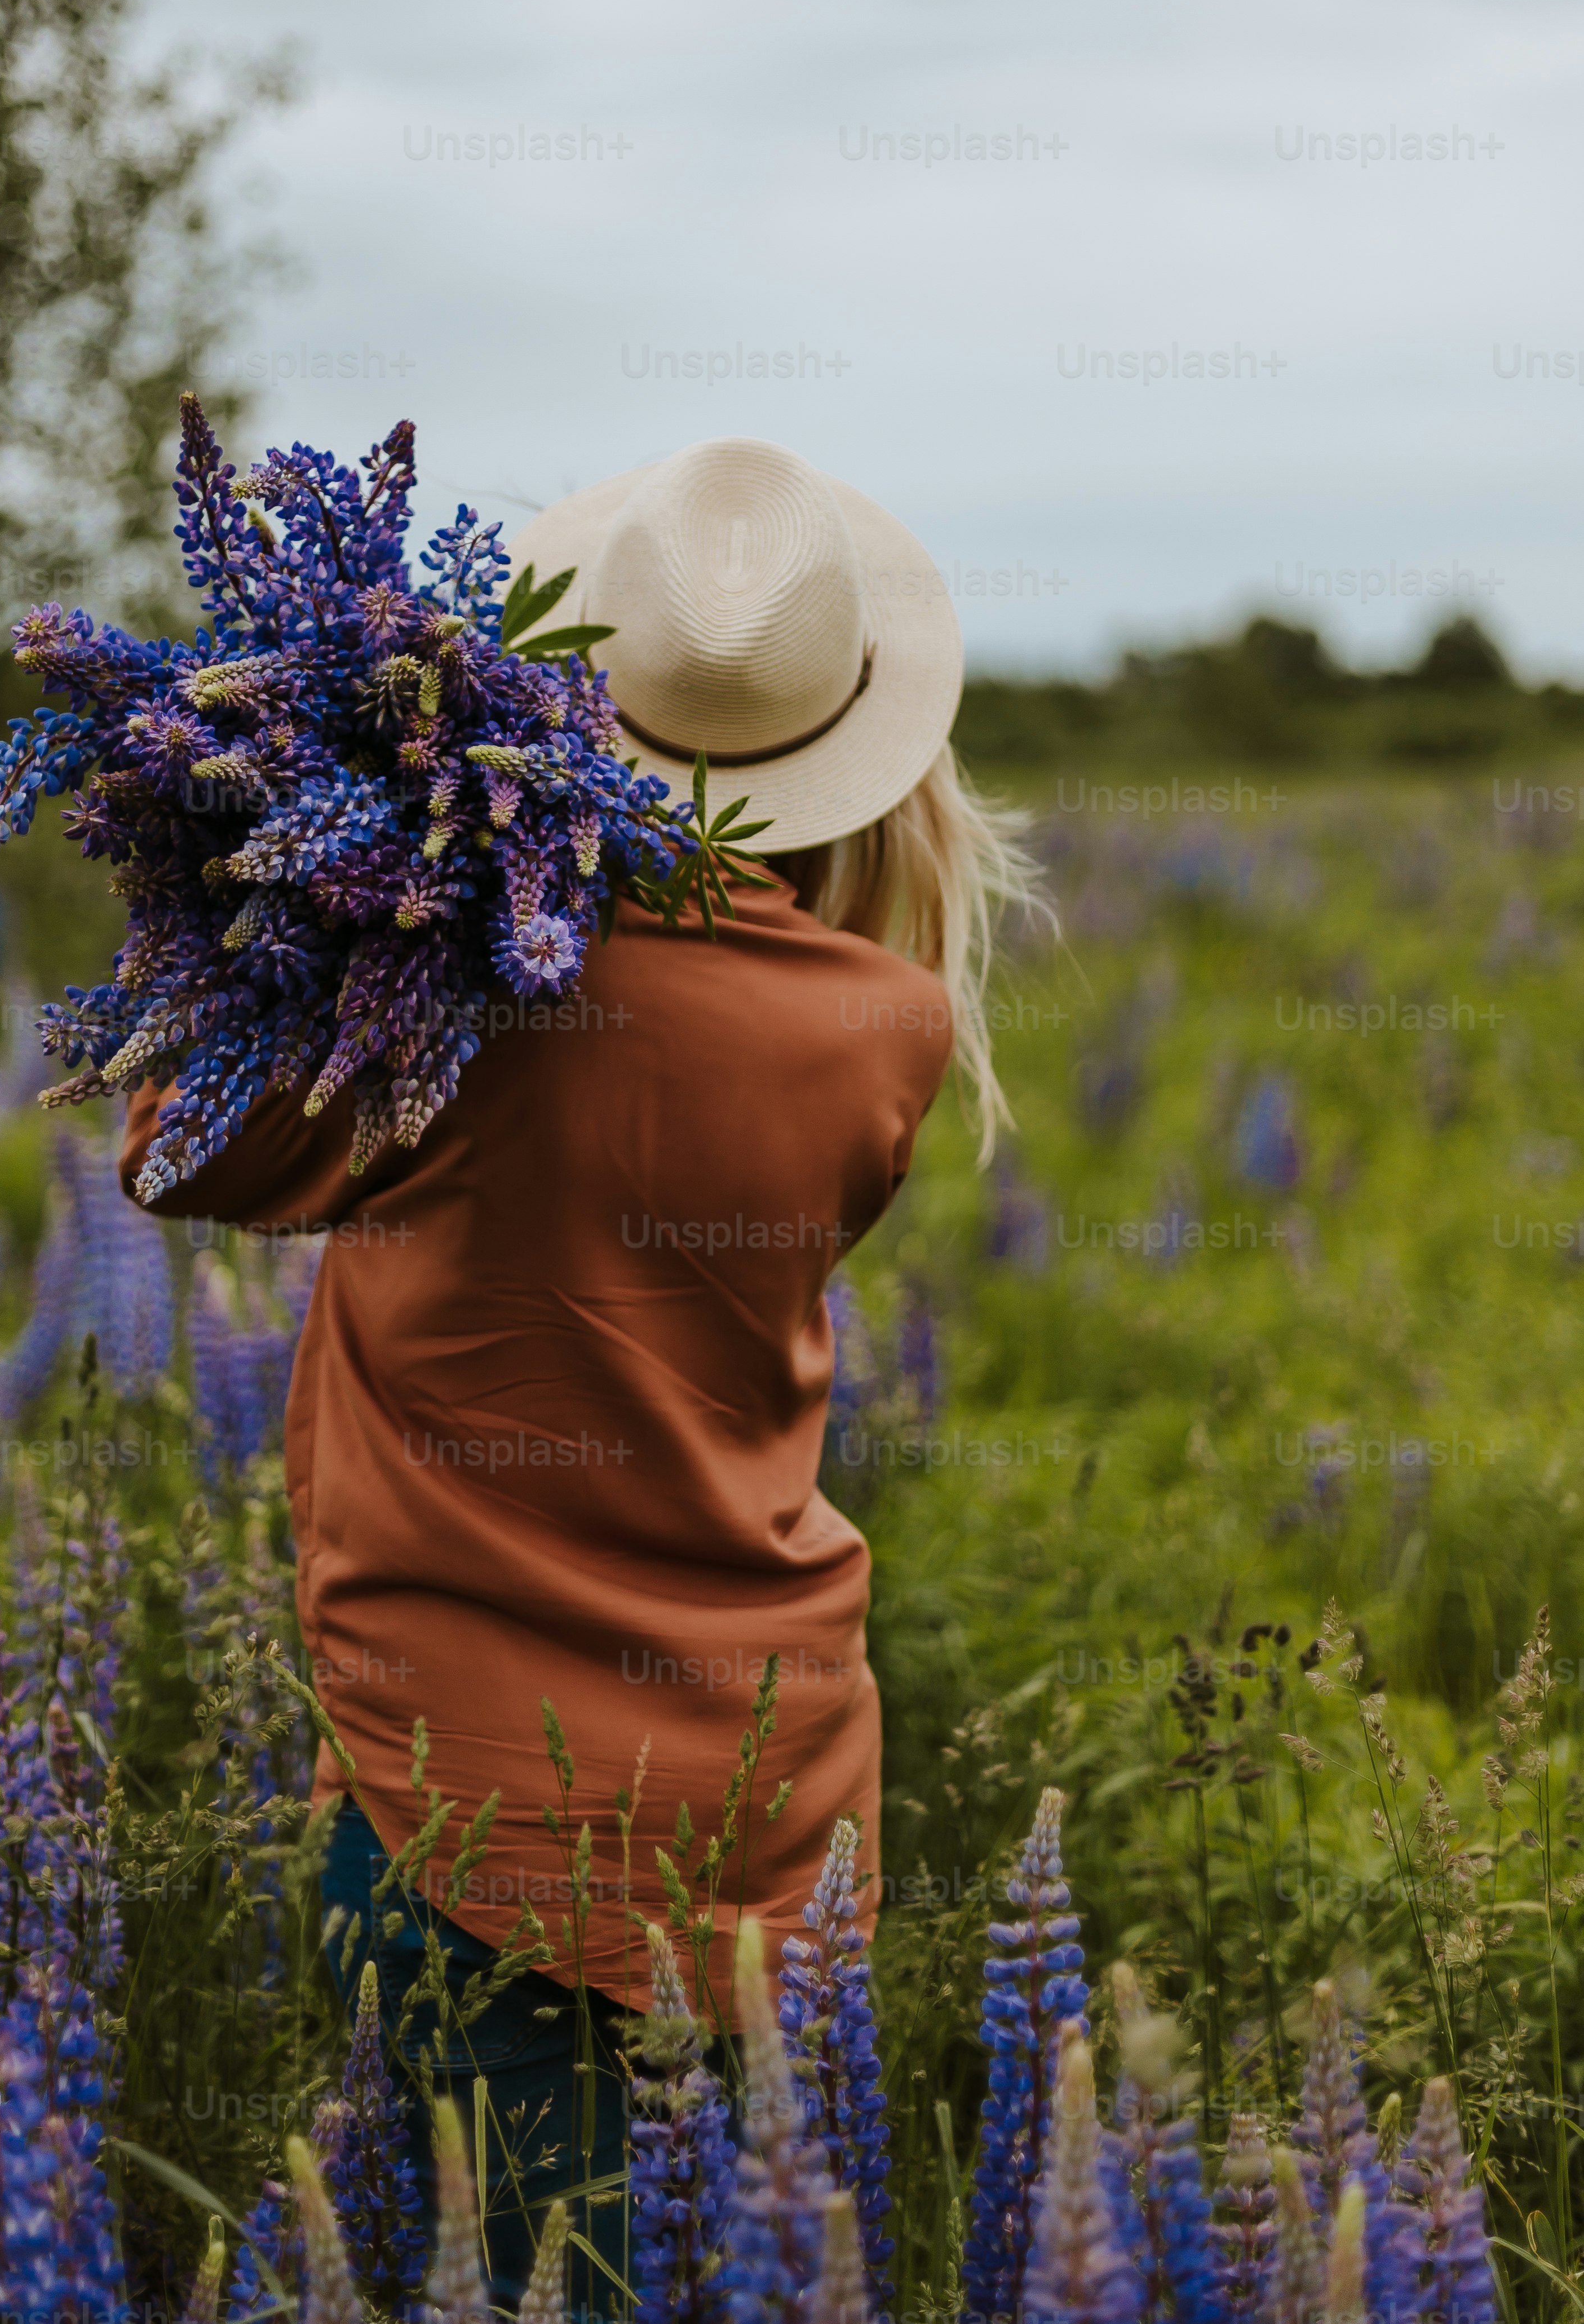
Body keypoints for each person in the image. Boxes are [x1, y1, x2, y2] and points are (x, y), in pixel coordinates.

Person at [120, 435, 1037, 2301]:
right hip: (775, 1785)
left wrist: (261, 870)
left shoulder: (472, 981)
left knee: (508, 2266)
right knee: (727, 2266)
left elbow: (175, 1146)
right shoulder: (888, 1022)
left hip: (461, 1795)